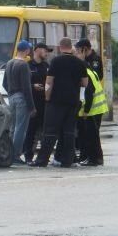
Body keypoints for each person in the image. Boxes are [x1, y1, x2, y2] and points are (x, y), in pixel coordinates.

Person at [31, 37, 88, 168]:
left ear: (60, 47)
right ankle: (67, 161)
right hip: (73, 102)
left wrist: (47, 98)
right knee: (69, 132)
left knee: (50, 132)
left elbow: (49, 82)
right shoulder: (79, 63)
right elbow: (85, 83)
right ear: (71, 46)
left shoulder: (55, 61)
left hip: (56, 102)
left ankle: (42, 161)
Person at [3, 40, 35, 165]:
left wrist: (11, 93)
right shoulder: (23, 65)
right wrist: (32, 107)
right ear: (26, 50)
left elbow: (4, 83)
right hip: (22, 98)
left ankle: (8, 153)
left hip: (11, 97)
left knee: (12, 127)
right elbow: (27, 88)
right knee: (21, 128)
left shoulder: (9, 63)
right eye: (29, 50)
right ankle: (15, 155)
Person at [76, 40, 108, 166]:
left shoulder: (91, 63)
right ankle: (89, 157)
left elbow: (89, 92)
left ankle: (94, 159)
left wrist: (86, 110)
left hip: (93, 108)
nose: (76, 55)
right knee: (90, 135)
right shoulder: (87, 67)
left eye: (78, 51)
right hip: (95, 107)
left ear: (83, 50)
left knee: (92, 136)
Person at [23, 42, 49, 163]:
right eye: (45, 50)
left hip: (45, 104)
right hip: (32, 104)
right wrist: (32, 86)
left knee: (44, 133)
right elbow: (23, 84)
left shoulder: (46, 66)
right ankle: (28, 157)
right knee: (31, 131)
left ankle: (42, 158)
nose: (47, 53)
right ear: (37, 50)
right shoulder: (28, 66)